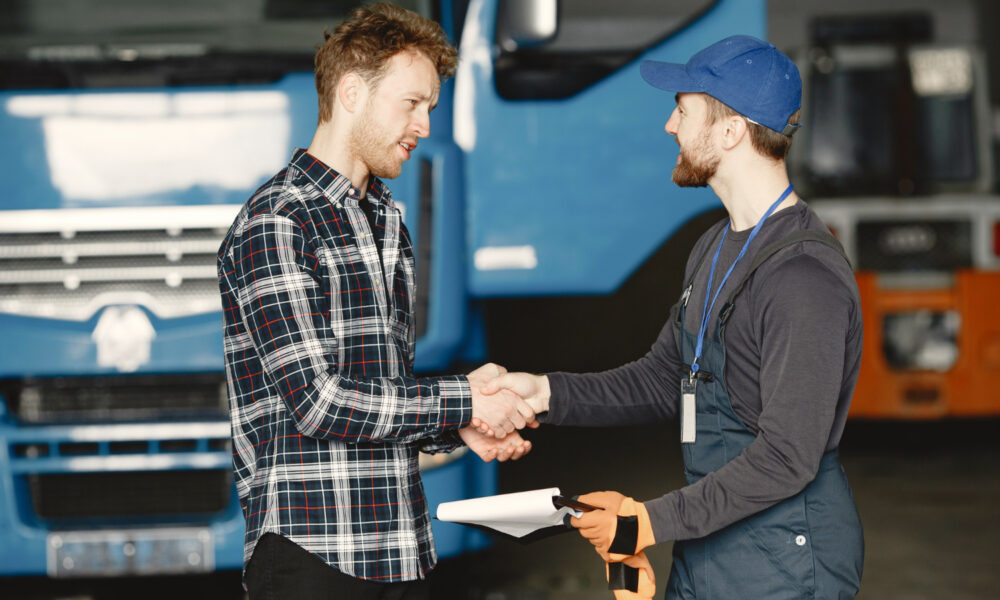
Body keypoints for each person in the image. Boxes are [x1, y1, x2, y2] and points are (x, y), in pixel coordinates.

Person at [482, 35, 865, 599]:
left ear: (732, 132)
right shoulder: (714, 247)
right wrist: (542, 393)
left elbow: (788, 458)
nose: (669, 126)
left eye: (683, 110)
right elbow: (666, 377)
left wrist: (644, 523)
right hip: (712, 541)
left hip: (787, 560)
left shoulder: (803, 279)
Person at [217, 4, 534, 598]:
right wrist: (463, 399)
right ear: (353, 92)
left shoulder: (385, 220)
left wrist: (457, 427)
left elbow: (379, 392)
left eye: (430, 108)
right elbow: (318, 402)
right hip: (313, 554)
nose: (424, 126)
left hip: (401, 548)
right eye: (411, 103)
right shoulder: (277, 222)